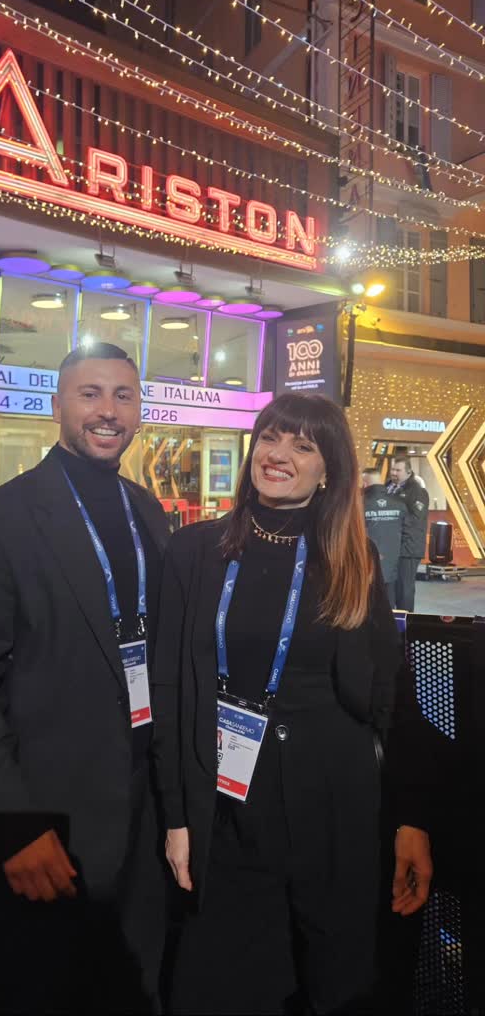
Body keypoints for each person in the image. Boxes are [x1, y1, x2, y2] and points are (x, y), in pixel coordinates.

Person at [152, 393, 434, 1016]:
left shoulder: (352, 557)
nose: (278, 455)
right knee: (218, 984)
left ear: (329, 469)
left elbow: (392, 694)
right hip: (229, 809)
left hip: (334, 806)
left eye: (303, 446)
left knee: (336, 985)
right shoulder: (195, 551)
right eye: (271, 438)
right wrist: (177, 816)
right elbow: (168, 689)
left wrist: (410, 819)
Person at [0, 342, 170, 1013]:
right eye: (90, 394)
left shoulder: (146, 510)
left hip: (144, 806)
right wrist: (15, 824)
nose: (108, 411)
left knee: (132, 987)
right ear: (57, 405)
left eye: (123, 395)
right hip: (51, 817)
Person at [388, 457, 430, 612]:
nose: (394, 473)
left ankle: (406, 621)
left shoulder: (418, 491)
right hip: (392, 547)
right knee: (390, 589)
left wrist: (391, 518)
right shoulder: (388, 487)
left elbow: (415, 519)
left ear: (408, 472)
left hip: (408, 548)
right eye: (392, 469)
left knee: (404, 589)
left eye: (398, 470)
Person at [362, 467, 404, 608]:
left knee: (368, 603)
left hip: (368, 561)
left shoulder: (358, 504)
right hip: (392, 561)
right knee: (389, 601)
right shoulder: (399, 503)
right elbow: (407, 530)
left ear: (365, 483)